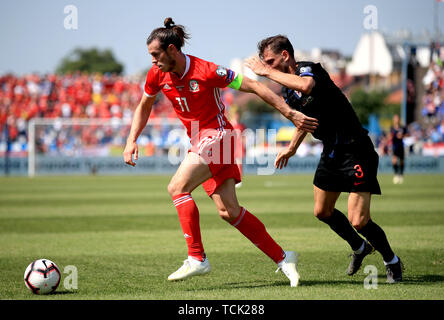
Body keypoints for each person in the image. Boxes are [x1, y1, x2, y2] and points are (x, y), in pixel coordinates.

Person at [123, 19, 319, 286]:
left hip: (218, 134)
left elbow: (254, 86)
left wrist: (289, 112)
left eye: (156, 55)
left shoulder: (206, 70)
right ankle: (284, 258)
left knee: (177, 187)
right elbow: (144, 106)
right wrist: (131, 139)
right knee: (229, 211)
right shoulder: (156, 74)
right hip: (202, 138)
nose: (153, 61)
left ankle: (197, 258)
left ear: (171, 49)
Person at [245, 35, 403, 283]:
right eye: (266, 63)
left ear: (285, 55)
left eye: (271, 61)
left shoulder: (309, 70)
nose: (269, 66)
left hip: (356, 150)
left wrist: (264, 71)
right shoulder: (289, 90)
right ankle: (360, 248)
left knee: (359, 221)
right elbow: (305, 120)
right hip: (331, 152)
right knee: (322, 211)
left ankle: (391, 260)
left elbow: (306, 86)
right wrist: (291, 148)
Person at [390, 114, 407, 184]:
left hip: (401, 146)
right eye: (395, 118)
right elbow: (390, 135)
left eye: (397, 118)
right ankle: (396, 174)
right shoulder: (392, 128)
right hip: (395, 146)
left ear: (399, 119)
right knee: (394, 160)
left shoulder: (402, 128)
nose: (396, 120)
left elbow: (407, 134)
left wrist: (402, 136)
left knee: (402, 161)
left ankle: (401, 175)